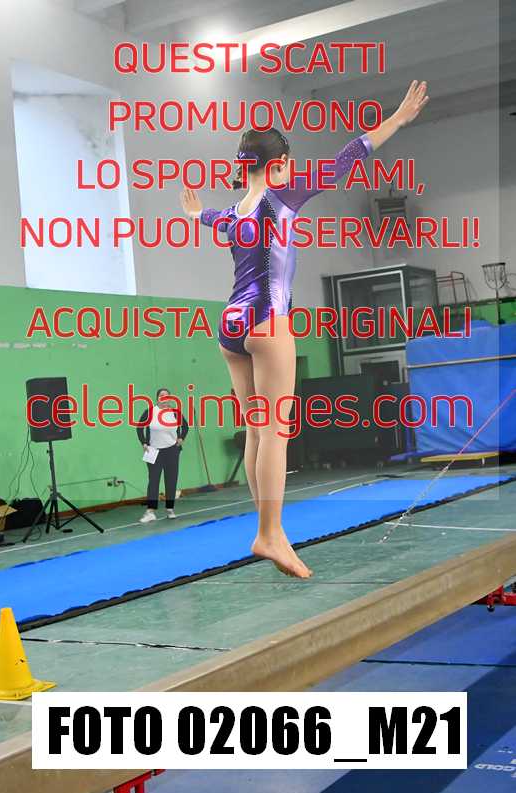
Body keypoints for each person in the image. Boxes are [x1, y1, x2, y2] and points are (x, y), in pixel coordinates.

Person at [181, 80, 429, 578]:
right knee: (276, 433)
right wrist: (398, 120)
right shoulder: (282, 193)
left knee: (257, 430)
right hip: (267, 319)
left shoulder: (234, 212)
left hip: (230, 324)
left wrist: (194, 213)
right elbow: (350, 155)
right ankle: (270, 533)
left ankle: (266, 529)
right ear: (278, 164)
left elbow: (211, 217)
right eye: (289, 163)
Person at [137, 388, 189, 522]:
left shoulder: (175, 413)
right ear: (157, 398)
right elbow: (139, 427)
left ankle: (170, 509)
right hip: (154, 451)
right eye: (162, 395)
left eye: (167, 396)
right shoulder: (150, 412)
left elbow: (185, 426)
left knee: (171, 480)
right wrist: (144, 443)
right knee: (153, 481)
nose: (164, 398)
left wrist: (181, 438)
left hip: (172, 450)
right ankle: (150, 512)